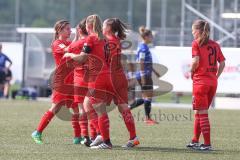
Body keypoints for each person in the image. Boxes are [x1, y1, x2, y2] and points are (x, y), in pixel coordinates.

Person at [64, 14, 116, 149]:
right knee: (87, 105)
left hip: (97, 77)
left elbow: (82, 58)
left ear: (89, 25)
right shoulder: (105, 39)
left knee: (100, 111)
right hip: (106, 75)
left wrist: (70, 54)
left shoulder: (91, 39)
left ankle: (107, 142)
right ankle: (100, 135)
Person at [31, 20, 81, 145]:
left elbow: (76, 50)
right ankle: (37, 132)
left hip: (72, 80)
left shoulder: (69, 42)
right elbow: (69, 49)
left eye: (70, 29)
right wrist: (78, 37)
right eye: (67, 29)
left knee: (76, 108)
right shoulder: (56, 43)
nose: (70, 31)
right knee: (56, 108)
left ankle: (78, 137)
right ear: (59, 30)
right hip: (61, 81)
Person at [100, 18, 139, 148]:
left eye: (103, 25)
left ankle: (102, 139)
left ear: (109, 28)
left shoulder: (108, 41)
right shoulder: (115, 40)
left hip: (112, 78)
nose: (102, 28)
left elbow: (105, 61)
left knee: (97, 107)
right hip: (120, 77)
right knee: (123, 108)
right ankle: (133, 137)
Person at [186, 19, 225, 151]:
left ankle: (207, 144)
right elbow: (223, 63)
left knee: (202, 113)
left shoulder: (196, 44)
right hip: (212, 83)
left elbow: (195, 61)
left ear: (199, 31)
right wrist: (215, 76)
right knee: (199, 111)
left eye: (193, 30)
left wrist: (191, 71)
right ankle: (195, 140)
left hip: (200, 82)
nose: (192, 33)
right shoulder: (215, 45)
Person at [129, 26, 160, 125]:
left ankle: (129, 108)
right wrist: (142, 76)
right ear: (146, 37)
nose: (152, 38)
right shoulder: (143, 48)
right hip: (144, 75)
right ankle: (147, 118)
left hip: (146, 74)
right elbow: (141, 62)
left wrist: (155, 72)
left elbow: (147, 63)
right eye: (151, 36)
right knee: (148, 97)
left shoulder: (145, 47)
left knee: (146, 97)